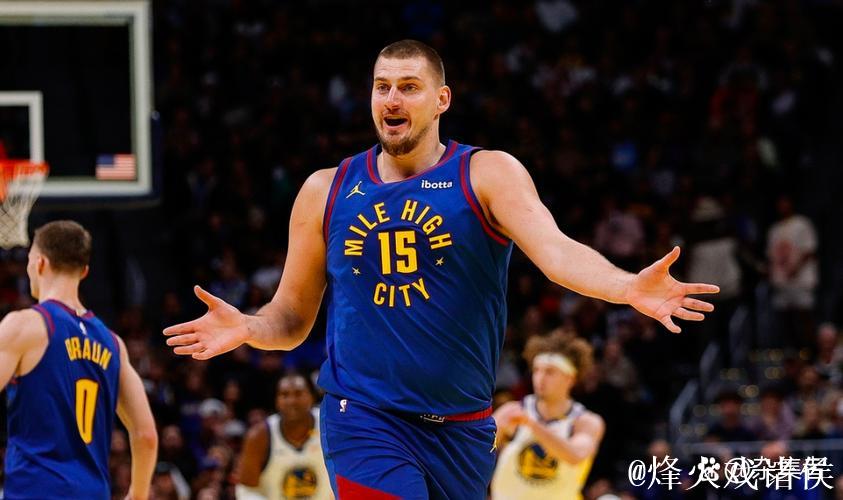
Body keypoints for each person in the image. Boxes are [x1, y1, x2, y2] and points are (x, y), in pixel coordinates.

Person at [164, 40, 719, 499]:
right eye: (382, 86)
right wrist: (249, 327)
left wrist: (626, 286)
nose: (392, 98)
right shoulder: (324, 190)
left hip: (464, 429)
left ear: (441, 100)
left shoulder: (486, 173)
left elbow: (556, 253)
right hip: (364, 418)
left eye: (409, 87)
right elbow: (290, 317)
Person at [0, 220, 158, 499]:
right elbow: (146, 435)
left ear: (40, 263)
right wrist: (137, 494)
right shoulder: (113, 343)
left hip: (34, 491)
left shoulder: (25, 325)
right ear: (84, 271)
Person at [491, 330, 604, 499]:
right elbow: (475, 454)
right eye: (537, 370)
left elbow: (575, 455)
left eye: (550, 372)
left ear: (570, 378)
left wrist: (532, 425)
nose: (540, 378)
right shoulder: (511, 411)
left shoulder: (585, 421)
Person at [236, 374, 332, 500]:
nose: (292, 401)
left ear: (312, 397)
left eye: (298, 393)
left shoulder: (330, 425)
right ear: (276, 400)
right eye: (285, 395)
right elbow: (246, 490)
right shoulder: (259, 436)